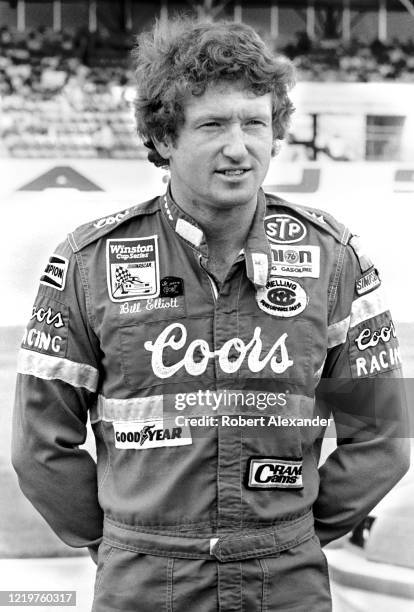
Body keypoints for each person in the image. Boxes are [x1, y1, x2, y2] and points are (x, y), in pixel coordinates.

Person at [12, 17, 409, 612]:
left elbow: (385, 433)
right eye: (212, 124)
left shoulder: (335, 258)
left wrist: (292, 533)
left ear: (275, 133)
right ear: (165, 139)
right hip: (141, 580)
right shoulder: (89, 261)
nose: (238, 145)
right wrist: (122, 544)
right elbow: (40, 446)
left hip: (287, 579)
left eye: (254, 122)